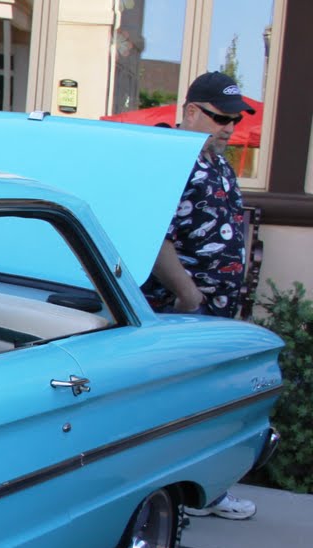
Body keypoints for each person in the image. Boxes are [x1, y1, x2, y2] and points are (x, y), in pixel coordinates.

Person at [144, 71, 259, 520]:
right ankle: (163, 495)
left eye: (234, 119)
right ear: (191, 111)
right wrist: (189, 296)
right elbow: (154, 237)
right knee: (172, 406)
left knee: (207, 401)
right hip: (181, 312)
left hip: (215, 312)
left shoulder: (218, 164)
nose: (229, 127)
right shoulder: (170, 162)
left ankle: (207, 489)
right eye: (219, 117)